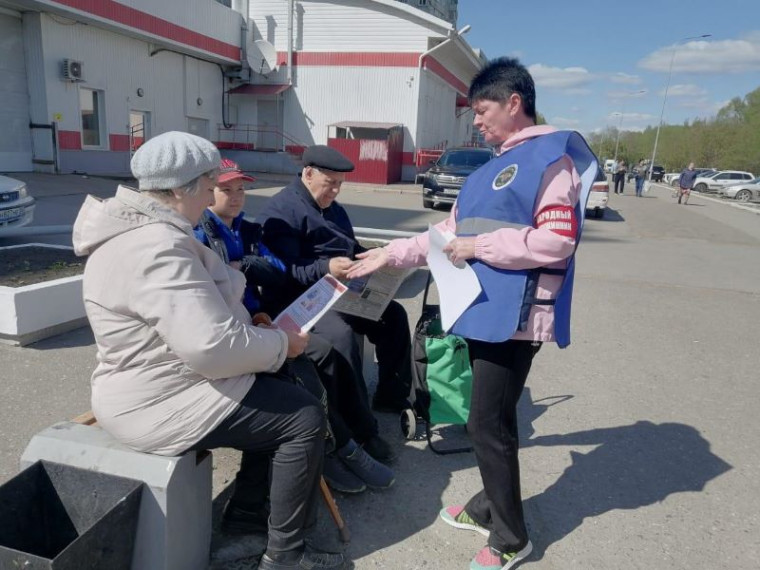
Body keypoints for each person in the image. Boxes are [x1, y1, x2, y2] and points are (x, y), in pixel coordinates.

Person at [346, 57, 597, 570]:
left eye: (482, 111)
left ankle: (510, 537)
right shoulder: (488, 171)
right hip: (483, 310)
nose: (476, 122)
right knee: (492, 421)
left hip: (515, 316)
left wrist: (479, 246)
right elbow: (444, 237)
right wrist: (389, 253)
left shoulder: (552, 161)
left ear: (513, 103)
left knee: (487, 424)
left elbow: (558, 241)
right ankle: (489, 504)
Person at [72, 131, 345, 570]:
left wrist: (257, 333)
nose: (211, 196)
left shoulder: (148, 232)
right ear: (181, 188)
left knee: (275, 391)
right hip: (156, 400)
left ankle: (245, 517)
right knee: (303, 417)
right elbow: (212, 348)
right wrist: (281, 344)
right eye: (209, 185)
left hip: (161, 381)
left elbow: (199, 313)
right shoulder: (156, 247)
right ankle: (285, 557)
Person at [194, 158, 395, 493]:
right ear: (204, 192)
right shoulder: (203, 235)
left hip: (258, 321)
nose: (236, 196)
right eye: (225, 189)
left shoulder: (244, 229)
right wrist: (253, 273)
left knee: (381, 323)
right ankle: (335, 448)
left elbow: (273, 268)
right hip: (236, 331)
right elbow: (266, 279)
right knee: (319, 354)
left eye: (241, 188)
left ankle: (363, 427)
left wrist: (244, 263)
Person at [257, 146, 414, 416]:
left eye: (340, 184)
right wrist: (325, 267)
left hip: (339, 290)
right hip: (301, 298)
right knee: (341, 336)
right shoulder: (282, 211)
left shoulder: (333, 209)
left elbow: (349, 246)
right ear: (308, 173)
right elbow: (281, 271)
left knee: (394, 315)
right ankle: (355, 422)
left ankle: (391, 396)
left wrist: (373, 260)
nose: (336, 191)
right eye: (330, 183)